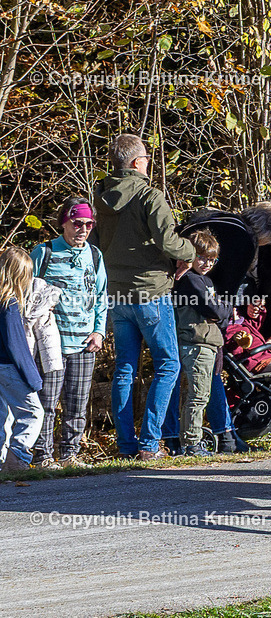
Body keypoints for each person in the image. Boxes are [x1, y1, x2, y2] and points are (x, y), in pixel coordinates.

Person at [93, 133, 196, 461]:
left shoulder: (100, 197)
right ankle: (150, 443)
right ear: (138, 162)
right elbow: (169, 242)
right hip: (151, 293)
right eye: (147, 158)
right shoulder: (150, 195)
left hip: (117, 293)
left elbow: (97, 243)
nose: (149, 163)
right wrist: (190, 251)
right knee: (168, 365)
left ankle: (125, 446)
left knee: (125, 368)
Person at [29, 198, 107, 468]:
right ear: (63, 223)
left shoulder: (95, 255)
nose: (83, 229)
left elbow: (101, 296)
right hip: (51, 342)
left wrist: (99, 332)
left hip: (85, 341)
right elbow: (27, 294)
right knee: (47, 402)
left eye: (88, 224)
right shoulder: (44, 252)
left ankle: (69, 455)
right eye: (77, 223)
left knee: (77, 402)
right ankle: (42, 457)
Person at [173, 229, 232, 457]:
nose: (207, 263)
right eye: (202, 257)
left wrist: (220, 311)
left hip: (208, 344)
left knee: (201, 395)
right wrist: (222, 310)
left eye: (212, 259)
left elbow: (217, 311)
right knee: (197, 396)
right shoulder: (190, 280)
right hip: (195, 343)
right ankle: (191, 443)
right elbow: (214, 309)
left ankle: (190, 439)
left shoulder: (205, 280)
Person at [0, 247, 44, 473]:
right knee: (33, 413)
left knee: (2, 415)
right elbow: (17, 346)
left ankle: (1, 460)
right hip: (8, 367)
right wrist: (33, 379)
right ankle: (17, 457)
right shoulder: (10, 306)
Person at [225, 297, 271, 396]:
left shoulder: (245, 323)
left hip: (266, 358)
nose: (235, 310)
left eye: (236, 308)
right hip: (253, 363)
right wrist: (237, 341)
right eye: (232, 309)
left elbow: (258, 320)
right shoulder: (229, 329)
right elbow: (233, 350)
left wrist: (260, 308)